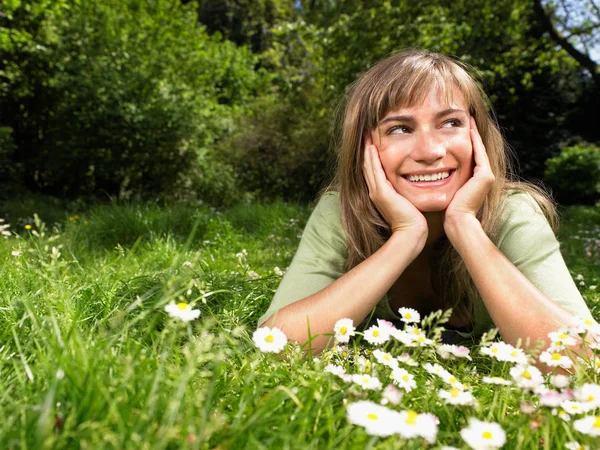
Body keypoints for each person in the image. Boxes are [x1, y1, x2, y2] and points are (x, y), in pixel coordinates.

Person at [257, 49, 595, 352]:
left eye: (450, 123)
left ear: (477, 134)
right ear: (364, 148)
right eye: (400, 129)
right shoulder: (341, 213)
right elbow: (278, 346)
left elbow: (584, 362)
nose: (430, 151)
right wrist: (406, 236)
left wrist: (466, 226)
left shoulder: (512, 214)